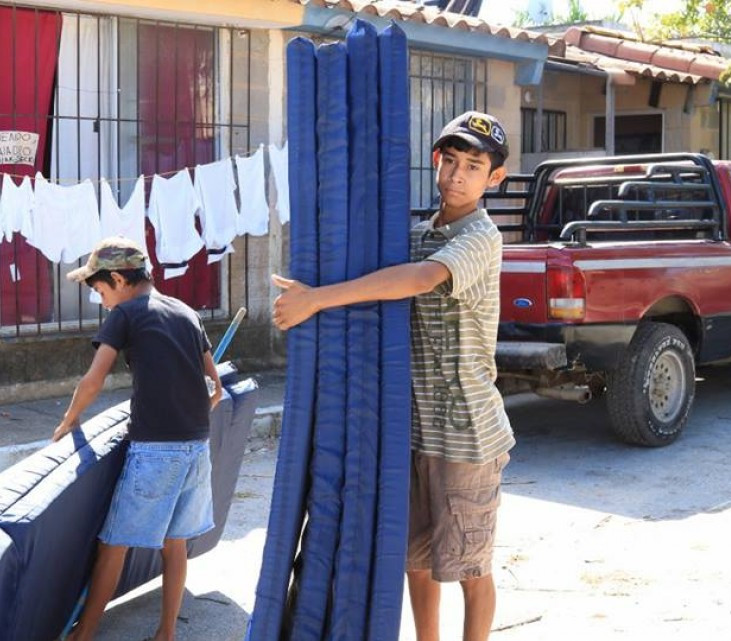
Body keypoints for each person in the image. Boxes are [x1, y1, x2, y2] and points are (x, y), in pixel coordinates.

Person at [271, 110, 516, 641]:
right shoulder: (418, 234)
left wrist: (318, 299)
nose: (457, 175)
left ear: (494, 177)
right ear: (436, 160)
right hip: (414, 433)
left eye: (473, 166)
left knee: (470, 566)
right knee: (415, 560)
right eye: (450, 161)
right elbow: (385, 278)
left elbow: (422, 279)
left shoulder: (481, 237)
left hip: (467, 437)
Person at [53, 237, 224, 641]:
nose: (103, 303)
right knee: (174, 543)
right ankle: (166, 633)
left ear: (117, 279)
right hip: (197, 445)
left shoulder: (126, 314)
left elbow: (93, 380)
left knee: (114, 545)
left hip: (155, 452)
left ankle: (84, 633)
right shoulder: (185, 311)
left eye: (100, 292)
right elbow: (216, 389)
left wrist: (68, 422)